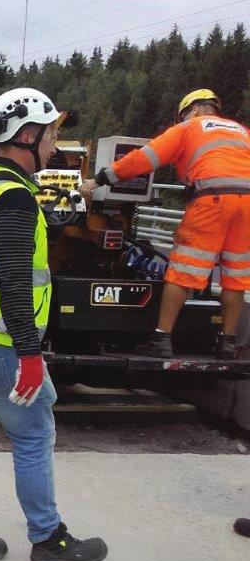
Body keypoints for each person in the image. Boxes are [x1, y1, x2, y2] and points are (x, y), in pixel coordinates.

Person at [0, 88, 108, 561]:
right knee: (34, 434)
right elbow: (12, 281)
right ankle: (49, 540)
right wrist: (31, 354)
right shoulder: (12, 198)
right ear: (27, 136)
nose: (54, 145)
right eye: (50, 135)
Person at [79, 89, 250, 359]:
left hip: (212, 200)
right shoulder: (240, 130)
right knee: (236, 278)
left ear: (190, 111)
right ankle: (227, 343)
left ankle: (161, 340)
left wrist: (99, 179)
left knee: (182, 271)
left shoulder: (188, 127)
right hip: (248, 204)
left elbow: (143, 159)